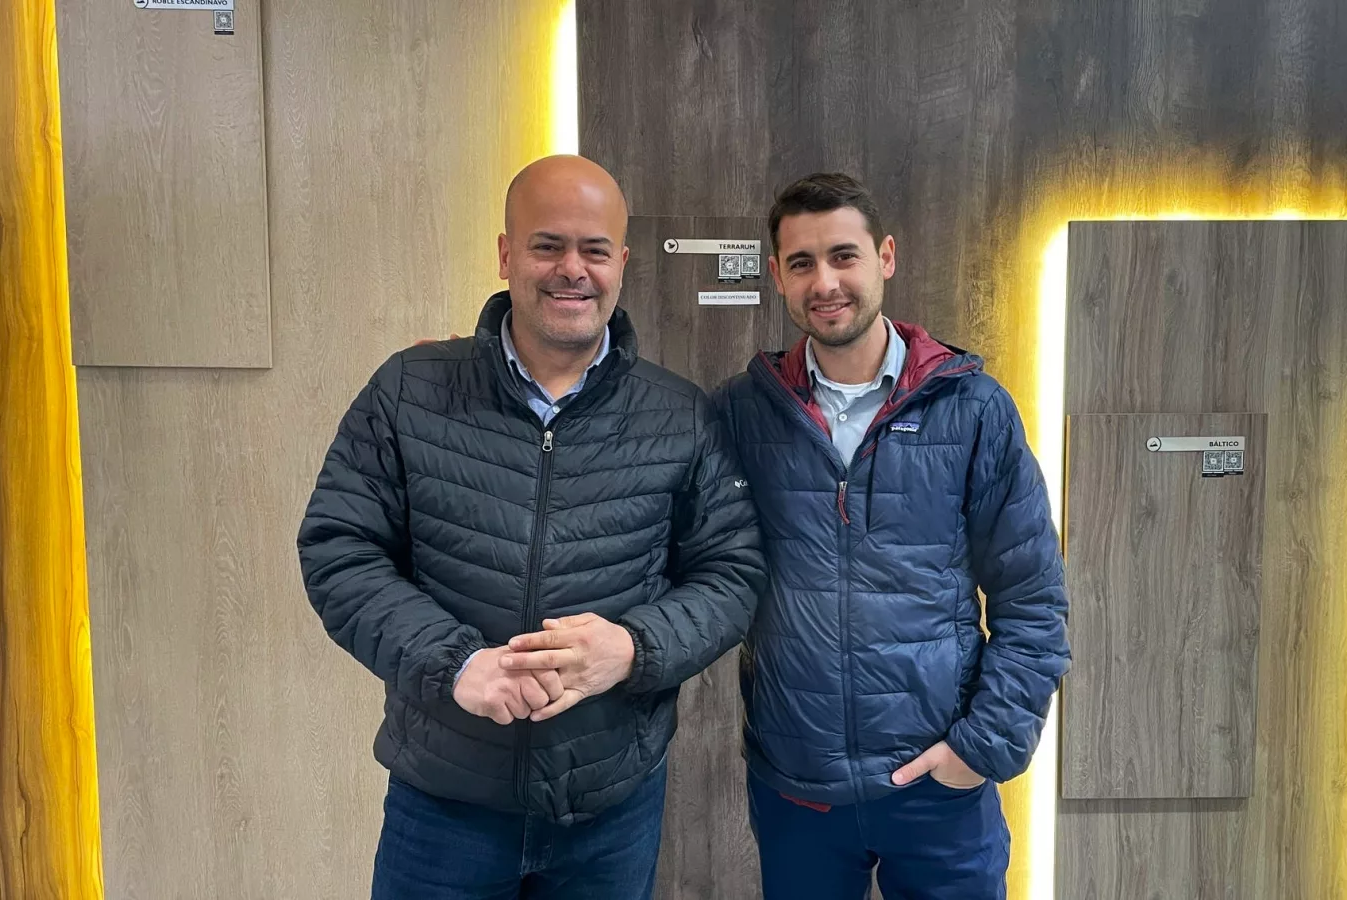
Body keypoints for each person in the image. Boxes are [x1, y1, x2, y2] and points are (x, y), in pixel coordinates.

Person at [296, 154, 766, 900]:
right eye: (548, 245)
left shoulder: (678, 414)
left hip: (610, 809)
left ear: (622, 265)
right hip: (443, 805)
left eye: (594, 250)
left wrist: (633, 648)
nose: (572, 269)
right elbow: (339, 551)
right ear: (507, 255)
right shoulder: (409, 391)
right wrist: (455, 665)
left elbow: (732, 572)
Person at [713, 172, 1070, 899]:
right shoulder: (741, 414)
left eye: (843, 256)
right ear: (778, 275)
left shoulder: (972, 409)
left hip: (939, 784)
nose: (825, 282)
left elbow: (1032, 599)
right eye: (802, 262)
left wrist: (981, 749)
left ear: (886, 257)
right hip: (799, 787)